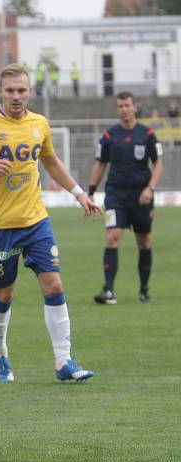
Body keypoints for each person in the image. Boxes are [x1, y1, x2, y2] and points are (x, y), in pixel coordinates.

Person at [0, 63, 101, 383]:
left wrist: (78, 193)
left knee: (54, 284)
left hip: (36, 221)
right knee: (5, 293)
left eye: (22, 90)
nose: (16, 96)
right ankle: (0, 353)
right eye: (10, 90)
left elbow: (50, 160)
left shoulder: (39, 124)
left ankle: (63, 362)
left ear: (30, 91)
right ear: (0, 92)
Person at [88, 91, 163, 304]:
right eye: (120, 106)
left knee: (144, 241)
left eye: (127, 105)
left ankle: (144, 289)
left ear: (135, 106)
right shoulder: (109, 136)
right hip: (115, 195)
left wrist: (150, 188)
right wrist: (90, 192)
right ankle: (109, 291)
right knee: (112, 237)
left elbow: (158, 163)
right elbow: (100, 164)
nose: (124, 110)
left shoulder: (147, 134)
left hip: (141, 196)